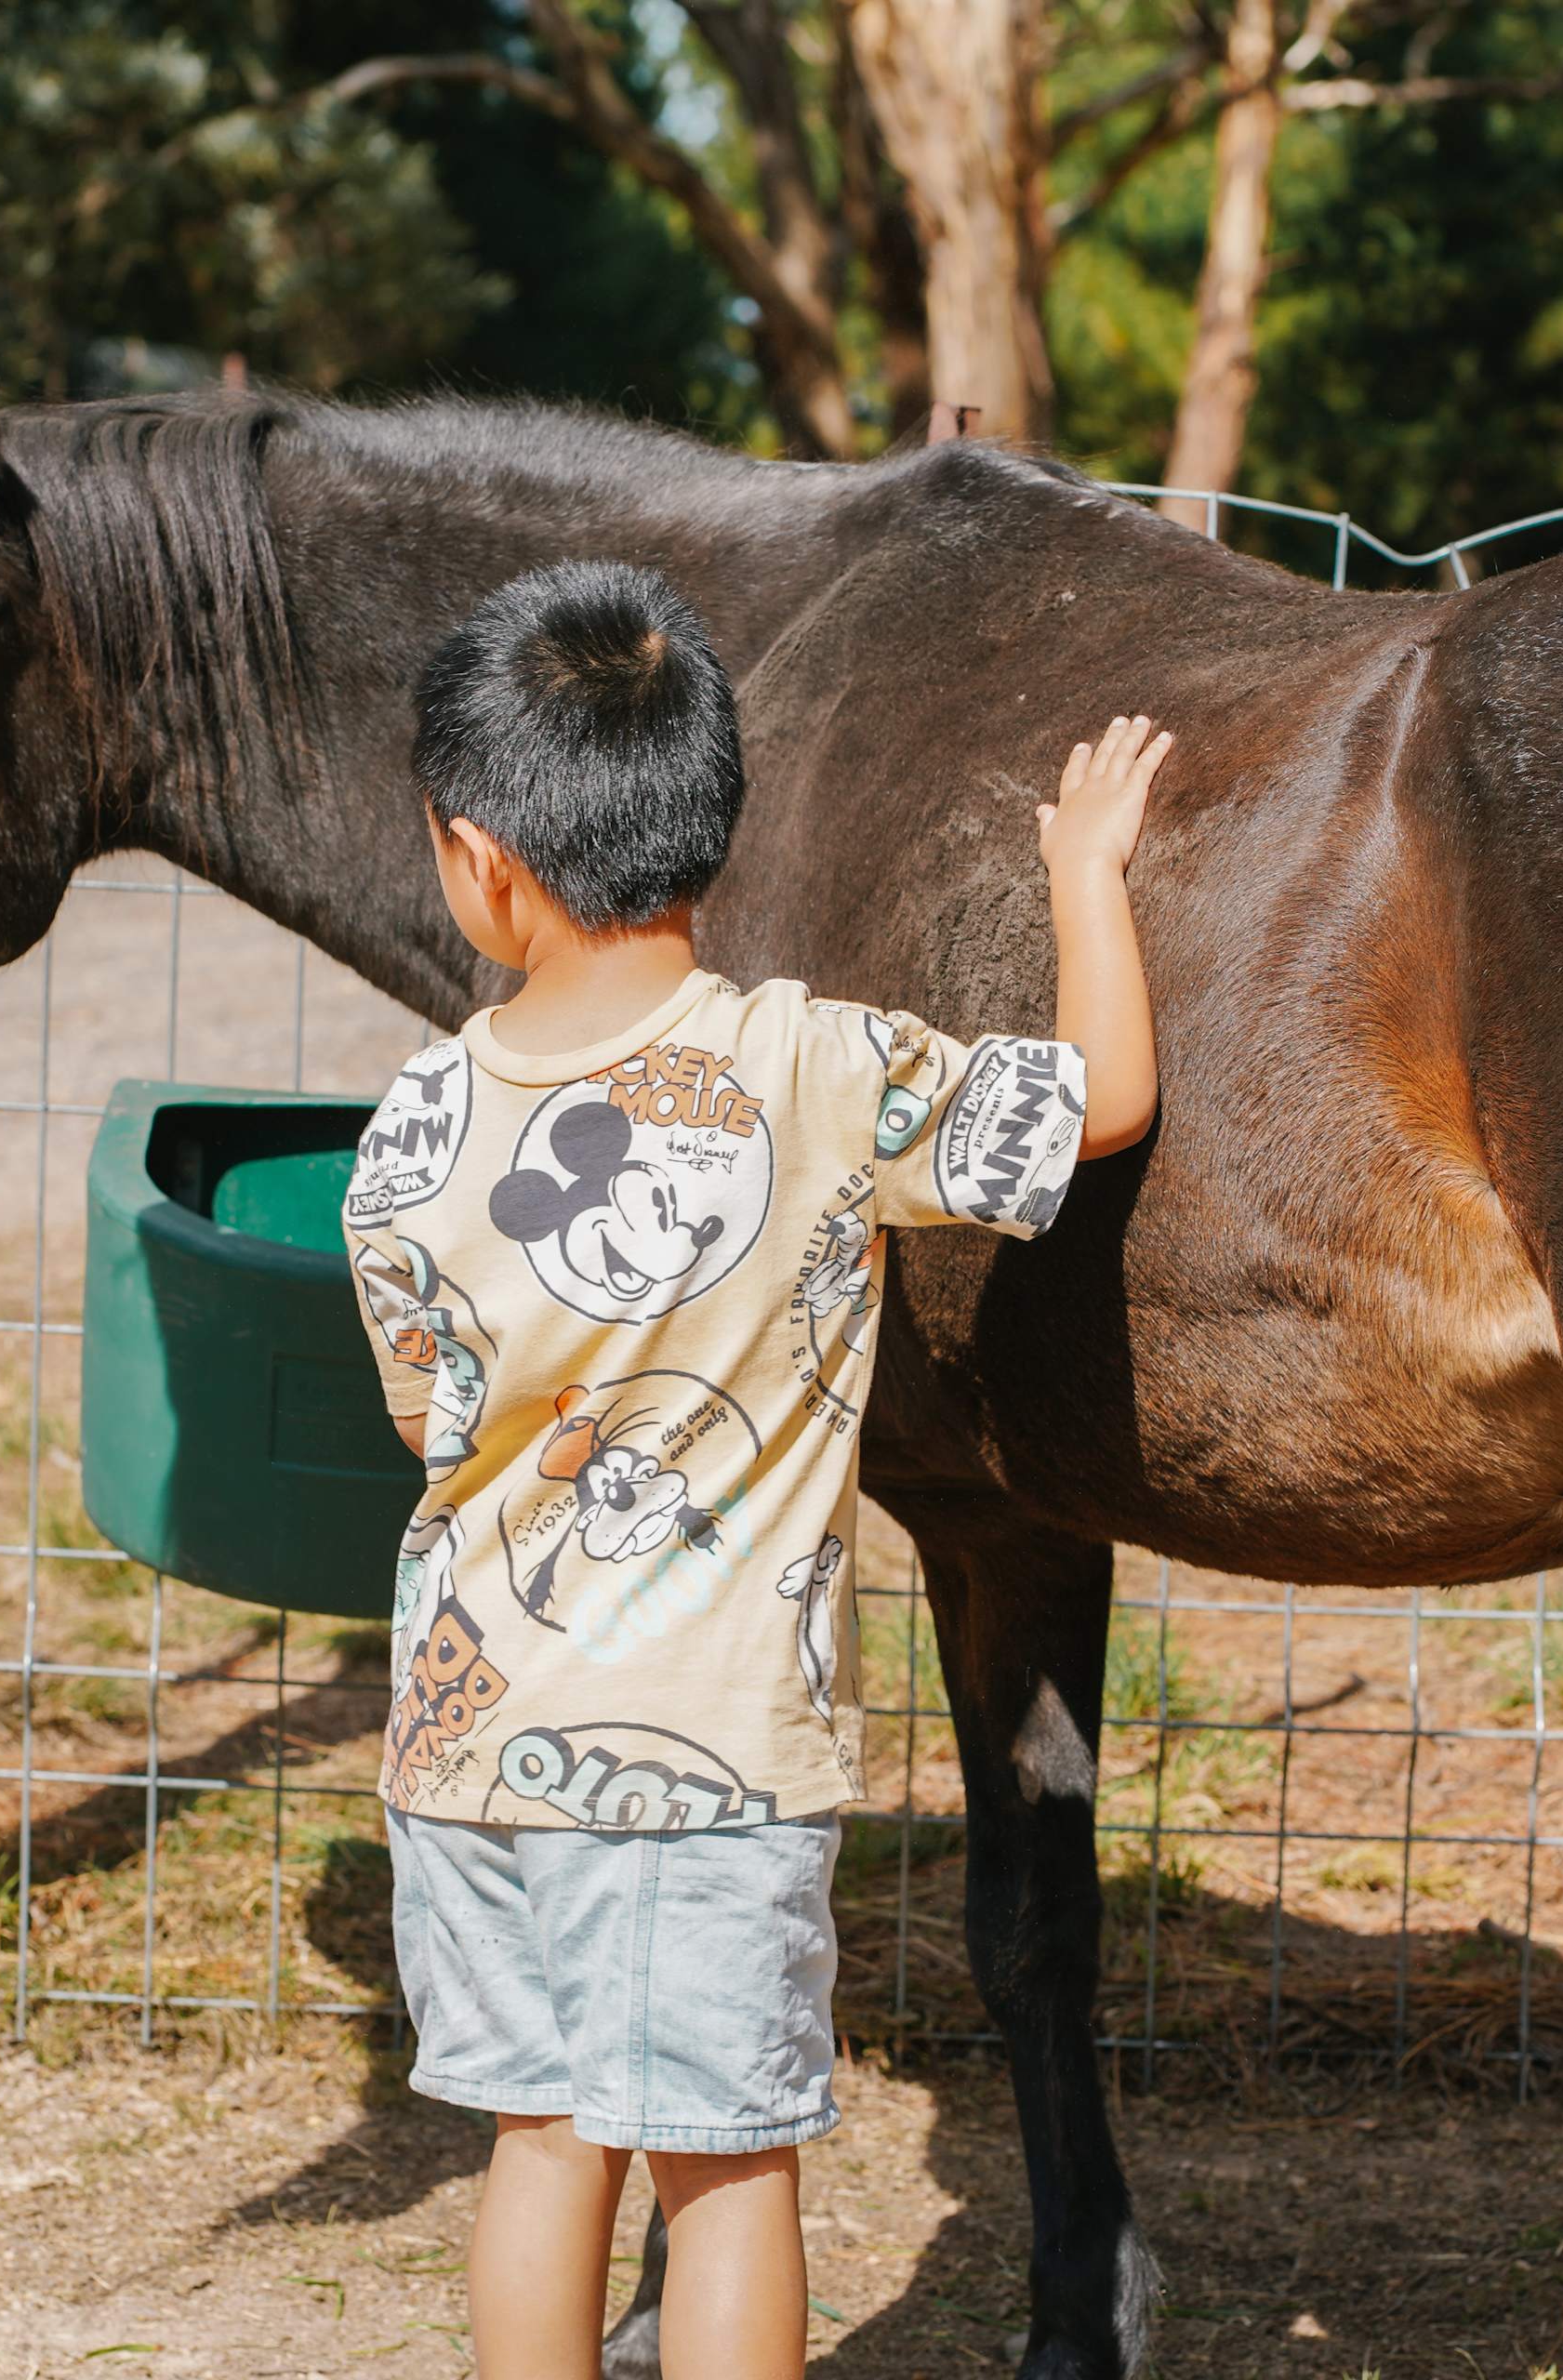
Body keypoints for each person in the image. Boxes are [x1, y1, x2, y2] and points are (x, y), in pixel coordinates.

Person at [343, 559, 1166, 2379]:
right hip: (716, 1757)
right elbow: (1095, 1104)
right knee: (729, 2169)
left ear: (477, 859)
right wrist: (1085, 873)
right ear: (715, 821)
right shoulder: (808, 1068)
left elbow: (430, 1414)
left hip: (475, 1741)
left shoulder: (405, 1130)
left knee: (543, 2143)